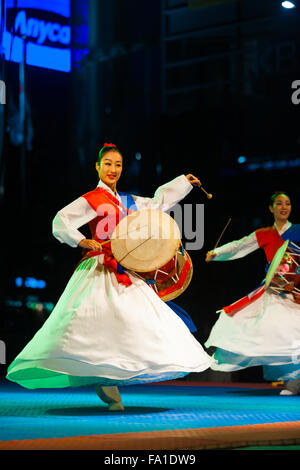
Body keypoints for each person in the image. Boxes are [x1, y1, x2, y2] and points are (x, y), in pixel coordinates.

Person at [6, 143, 212, 410]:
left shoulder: (129, 201)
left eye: (117, 165)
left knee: (136, 322)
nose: (113, 169)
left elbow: (157, 204)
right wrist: (81, 240)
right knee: (97, 325)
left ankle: (113, 378)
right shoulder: (92, 198)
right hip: (101, 266)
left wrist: (183, 182)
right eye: (108, 164)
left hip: (126, 267)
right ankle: (106, 382)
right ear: (98, 166)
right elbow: (61, 220)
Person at [205, 191, 300, 395]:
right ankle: (291, 380)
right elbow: (241, 245)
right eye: (279, 203)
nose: (284, 207)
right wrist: (217, 253)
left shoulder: (299, 231)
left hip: (296, 290)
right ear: (271, 208)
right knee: (275, 333)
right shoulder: (265, 233)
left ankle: (295, 381)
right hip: (273, 291)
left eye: (288, 203)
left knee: (294, 332)